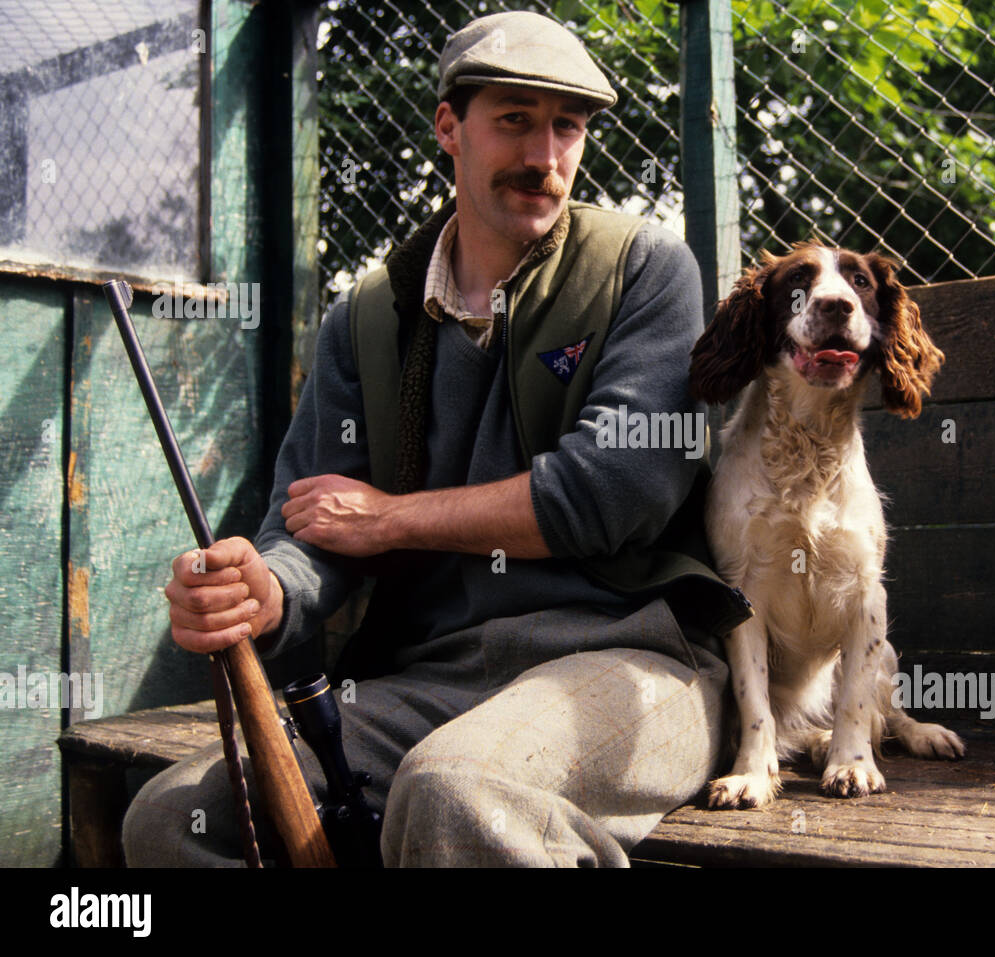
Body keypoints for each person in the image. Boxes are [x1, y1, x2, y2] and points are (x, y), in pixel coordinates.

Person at [121, 10, 749, 867]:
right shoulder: (367, 319)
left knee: (456, 793)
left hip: (632, 661)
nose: (545, 155)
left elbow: (612, 492)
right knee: (169, 818)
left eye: (568, 125)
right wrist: (263, 591)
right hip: (432, 679)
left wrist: (394, 519)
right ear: (449, 128)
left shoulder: (643, 267)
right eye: (515, 120)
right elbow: (313, 523)